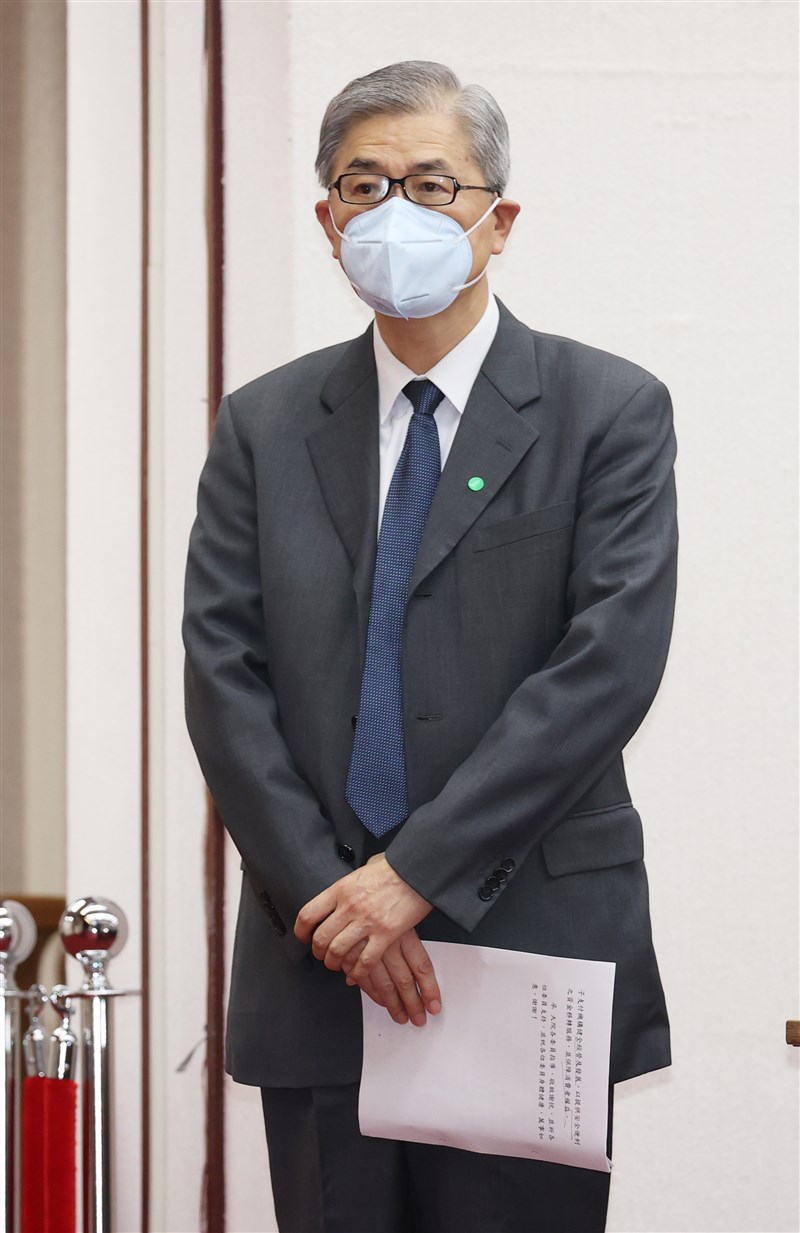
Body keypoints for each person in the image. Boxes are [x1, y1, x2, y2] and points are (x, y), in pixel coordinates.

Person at [183, 60, 677, 1233]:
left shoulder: (606, 410)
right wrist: (334, 902)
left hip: (525, 948)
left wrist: (412, 878)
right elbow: (222, 675)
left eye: (430, 184)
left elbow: (603, 666)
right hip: (319, 953)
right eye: (364, 186)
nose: (393, 212)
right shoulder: (262, 424)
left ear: (498, 220)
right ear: (327, 220)